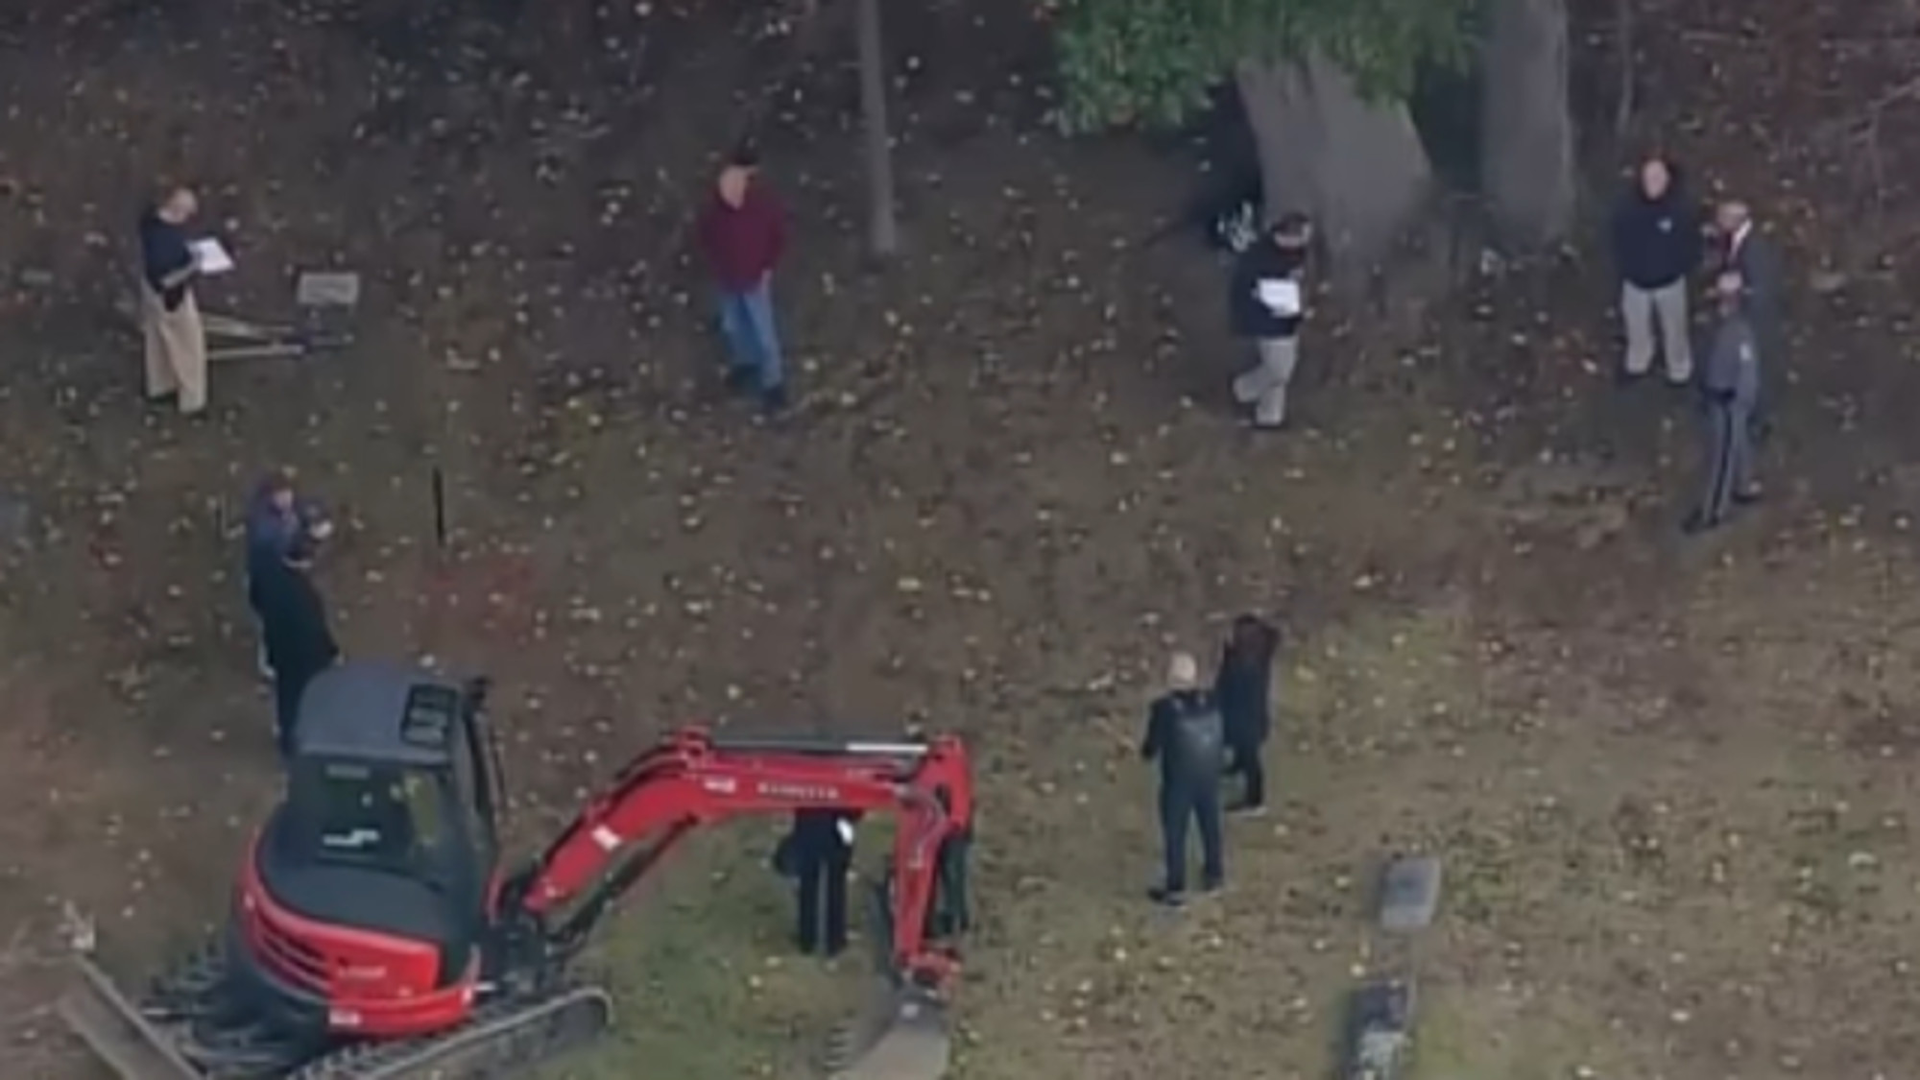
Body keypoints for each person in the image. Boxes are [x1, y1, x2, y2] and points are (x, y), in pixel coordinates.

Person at [697, 145, 790, 414]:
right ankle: (746, 366)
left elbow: (779, 235)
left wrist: (767, 267)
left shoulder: (762, 205)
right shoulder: (716, 211)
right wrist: (717, 264)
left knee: (763, 333)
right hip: (727, 278)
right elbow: (706, 235)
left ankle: (774, 386)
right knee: (733, 326)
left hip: (754, 277)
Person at [1140, 651, 1226, 906]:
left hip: (1179, 780)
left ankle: (1176, 885)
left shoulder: (1164, 709)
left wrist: (1146, 750)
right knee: (1210, 824)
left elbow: (1151, 748)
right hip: (1208, 775)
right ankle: (1214, 873)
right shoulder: (1211, 701)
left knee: (1175, 832)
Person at [1611, 155, 1702, 385]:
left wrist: (1680, 267)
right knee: (1636, 329)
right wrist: (1626, 268)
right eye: (1649, 178)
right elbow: (1615, 240)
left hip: (1670, 283)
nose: (1653, 183)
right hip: (1635, 284)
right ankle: (1638, 362)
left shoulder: (1680, 209)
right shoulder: (1626, 208)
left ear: (1668, 180)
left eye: (1658, 178)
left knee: (1675, 330)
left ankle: (1679, 370)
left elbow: (1692, 243)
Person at [1684, 272, 1763, 534]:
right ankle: (1744, 485)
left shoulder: (1739, 330)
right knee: (1737, 445)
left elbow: (1748, 371)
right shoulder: (1719, 323)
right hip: (1716, 395)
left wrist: (1740, 402)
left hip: (1730, 401)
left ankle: (1713, 511)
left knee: (1721, 457)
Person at [256, 534, 340, 757]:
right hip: (304, 656)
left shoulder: (275, 583)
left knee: (288, 699)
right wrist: (330, 651)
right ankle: (302, 741)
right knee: (305, 699)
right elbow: (315, 626)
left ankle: (289, 741)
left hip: (286, 656)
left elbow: (269, 623)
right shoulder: (302, 592)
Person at [1228, 212, 1312, 430]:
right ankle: (1243, 390)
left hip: (1287, 320)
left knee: (1283, 368)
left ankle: (1270, 417)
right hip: (1268, 322)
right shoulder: (1259, 257)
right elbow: (1244, 290)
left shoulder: (1296, 254)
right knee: (1278, 369)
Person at [244, 471, 332, 677]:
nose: (286, 499)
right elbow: (278, 548)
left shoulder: (292, 511)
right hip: (265, 582)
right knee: (271, 622)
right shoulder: (264, 525)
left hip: (286, 578)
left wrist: (315, 528)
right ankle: (270, 661)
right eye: (281, 495)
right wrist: (308, 536)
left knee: (311, 609)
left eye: (288, 493)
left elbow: (308, 516)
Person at [138, 186, 210, 415]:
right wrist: (192, 266)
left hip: (151, 293)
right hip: (171, 299)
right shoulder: (164, 245)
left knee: (158, 341)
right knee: (189, 347)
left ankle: (160, 385)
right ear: (177, 210)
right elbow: (167, 280)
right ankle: (192, 400)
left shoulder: (150, 220)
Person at [1714, 200, 1782, 436]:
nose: (1719, 219)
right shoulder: (1734, 240)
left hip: (1755, 319)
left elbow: (1763, 289)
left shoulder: (1756, 249)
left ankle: (1759, 417)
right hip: (1744, 316)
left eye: (1724, 214)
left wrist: (1738, 293)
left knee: (1756, 365)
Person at [1214, 614, 1279, 815]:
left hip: (1248, 719)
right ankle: (1238, 764)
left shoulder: (1249, 664)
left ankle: (1255, 800)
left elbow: (1234, 683)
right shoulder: (1251, 657)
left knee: (1251, 758)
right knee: (1242, 748)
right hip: (1244, 716)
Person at [779, 808, 859, 956]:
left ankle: (808, 939)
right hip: (837, 823)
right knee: (835, 884)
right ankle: (833, 940)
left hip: (811, 821)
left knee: (809, 881)